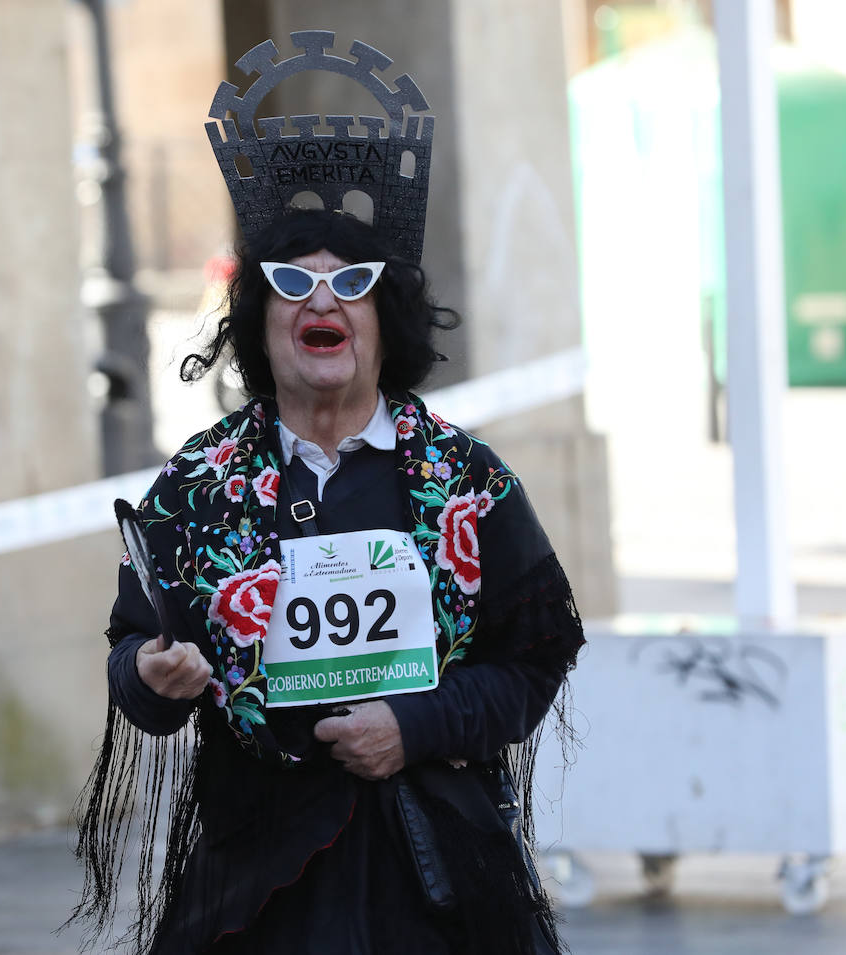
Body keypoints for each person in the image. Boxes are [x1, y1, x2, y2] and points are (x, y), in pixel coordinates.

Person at [68, 34, 584, 955]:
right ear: (258, 326)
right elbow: (131, 655)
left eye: (350, 284)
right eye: (291, 285)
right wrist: (151, 677)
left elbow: (536, 658)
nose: (322, 304)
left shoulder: (466, 483)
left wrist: (415, 723)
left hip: (438, 881)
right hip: (257, 881)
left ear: (386, 318)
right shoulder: (198, 486)